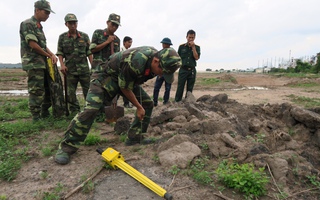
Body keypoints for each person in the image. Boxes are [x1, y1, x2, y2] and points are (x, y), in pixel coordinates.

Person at [54, 47, 181, 165]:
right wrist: (138, 107)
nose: (161, 75)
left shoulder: (156, 61)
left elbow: (129, 82)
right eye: (161, 71)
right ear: (155, 61)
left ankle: (135, 137)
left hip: (125, 79)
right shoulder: (138, 61)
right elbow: (124, 87)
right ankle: (66, 147)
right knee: (92, 109)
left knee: (147, 103)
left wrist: (141, 105)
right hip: (105, 77)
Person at [19, 0, 58, 122]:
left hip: (42, 63)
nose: (48, 15)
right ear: (37, 10)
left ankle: (44, 112)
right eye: (46, 12)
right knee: (36, 90)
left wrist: (51, 54)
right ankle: (36, 117)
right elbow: (33, 44)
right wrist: (48, 55)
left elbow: (42, 44)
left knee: (47, 89)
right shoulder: (28, 24)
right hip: (33, 63)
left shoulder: (38, 26)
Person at [56, 13, 93, 116]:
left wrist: (93, 66)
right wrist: (62, 65)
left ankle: (89, 111)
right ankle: (74, 112)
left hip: (84, 70)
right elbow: (60, 53)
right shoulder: (62, 37)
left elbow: (89, 52)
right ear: (66, 24)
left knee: (88, 92)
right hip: (70, 70)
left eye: (74, 23)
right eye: (70, 23)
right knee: (70, 93)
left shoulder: (84, 36)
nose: (73, 25)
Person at [175, 30, 201, 102]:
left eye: (192, 37)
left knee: (190, 88)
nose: (191, 39)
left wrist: (193, 48)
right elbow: (178, 58)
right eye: (190, 37)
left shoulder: (197, 47)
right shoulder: (181, 47)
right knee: (180, 87)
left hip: (192, 70)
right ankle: (177, 101)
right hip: (183, 69)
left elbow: (196, 58)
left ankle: (188, 102)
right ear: (186, 37)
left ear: (194, 38)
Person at [153, 37, 173, 106]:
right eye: (163, 43)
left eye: (164, 44)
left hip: (168, 74)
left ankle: (165, 101)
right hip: (160, 73)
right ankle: (155, 102)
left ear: (168, 45)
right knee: (156, 88)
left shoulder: (172, 53)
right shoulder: (160, 52)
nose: (163, 45)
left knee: (167, 88)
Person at [120, 36, 133, 108]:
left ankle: (126, 103)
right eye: (129, 42)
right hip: (121, 71)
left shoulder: (129, 51)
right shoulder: (121, 50)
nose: (130, 44)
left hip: (126, 72)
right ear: (124, 42)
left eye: (131, 42)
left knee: (126, 88)